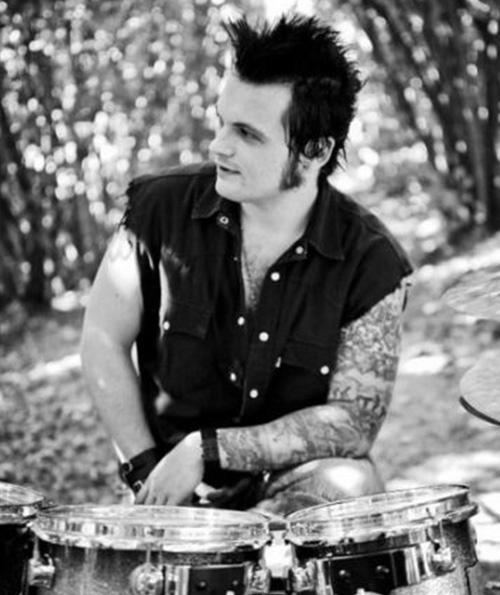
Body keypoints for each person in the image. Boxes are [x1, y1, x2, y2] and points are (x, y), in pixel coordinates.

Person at [80, 13, 413, 517]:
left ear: (314, 150)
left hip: (292, 488)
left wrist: (210, 448)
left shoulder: (372, 261)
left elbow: (353, 423)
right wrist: (146, 469)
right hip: (168, 482)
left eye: (247, 134)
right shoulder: (157, 210)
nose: (219, 145)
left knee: (352, 484)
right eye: (221, 121)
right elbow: (103, 337)